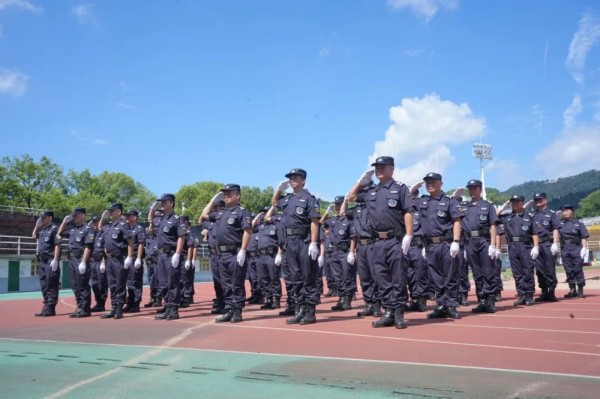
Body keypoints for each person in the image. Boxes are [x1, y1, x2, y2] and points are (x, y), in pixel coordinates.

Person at [346, 156, 413, 329]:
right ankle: (388, 311)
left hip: (395, 240)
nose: (379, 170)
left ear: (392, 169)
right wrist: (360, 182)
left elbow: (407, 211)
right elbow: (351, 197)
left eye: (383, 167)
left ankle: (398, 313)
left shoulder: (400, 188)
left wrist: (409, 235)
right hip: (376, 242)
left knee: (397, 277)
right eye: (377, 168)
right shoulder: (371, 191)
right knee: (382, 278)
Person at [266, 168, 321, 325]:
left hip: (304, 240)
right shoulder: (288, 199)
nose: (292, 180)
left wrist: (313, 243)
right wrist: (279, 190)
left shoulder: (309, 198)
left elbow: (314, 222)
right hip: (290, 242)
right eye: (291, 178)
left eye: (296, 177)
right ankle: (299, 309)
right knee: (295, 277)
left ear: (303, 180)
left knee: (307, 276)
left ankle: (310, 312)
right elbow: (274, 203)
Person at [201, 184, 252, 323]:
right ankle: (229, 309)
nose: (226, 196)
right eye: (225, 194)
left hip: (235, 253)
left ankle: (237, 311)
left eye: (229, 193)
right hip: (221, 254)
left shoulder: (242, 212)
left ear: (238, 195)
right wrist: (213, 200)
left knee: (236, 283)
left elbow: (247, 231)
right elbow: (203, 216)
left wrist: (243, 250)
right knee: (226, 284)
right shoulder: (221, 213)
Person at [417, 172, 463, 320]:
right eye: (427, 182)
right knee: (435, 277)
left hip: (445, 244)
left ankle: (451, 305)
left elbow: (457, 221)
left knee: (450, 275)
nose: (430, 184)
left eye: (433, 181)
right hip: (430, 245)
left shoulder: (449, 201)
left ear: (441, 183)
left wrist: (456, 242)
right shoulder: (423, 202)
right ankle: (442, 304)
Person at [461, 179, 499, 313]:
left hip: (483, 241)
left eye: (475, 188)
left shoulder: (488, 206)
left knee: (488, 271)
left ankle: (490, 300)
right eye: (470, 188)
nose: (472, 190)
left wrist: (493, 245)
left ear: (480, 189)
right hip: (469, 241)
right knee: (477, 273)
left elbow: (493, 225)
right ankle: (481, 299)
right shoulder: (464, 207)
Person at [498, 195, 539, 306]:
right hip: (512, 246)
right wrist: (502, 207)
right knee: (517, 272)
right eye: (512, 202)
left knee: (528, 271)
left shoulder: (529, 216)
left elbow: (535, 233)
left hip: (526, 246)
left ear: (522, 203)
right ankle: (521, 295)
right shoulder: (507, 217)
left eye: (517, 202)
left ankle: (529, 295)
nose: (514, 204)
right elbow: (494, 216)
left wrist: (536, 246)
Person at [154, 193, 188, 320]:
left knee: (172, 282)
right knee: (163, 283)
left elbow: (181, 237)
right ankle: (167, 307)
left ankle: (173, 309)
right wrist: (153, 207)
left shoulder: (177, 219)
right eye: (161, 202)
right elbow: (151, 217)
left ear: (171, 203)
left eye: (164, 202)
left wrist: (178, 254)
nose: (161, 204)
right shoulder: (161, 219)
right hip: (161, 255)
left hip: (170, 254)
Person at [57, 207, 95, 318]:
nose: (73, 217)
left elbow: (88, 246)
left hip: (80, 258)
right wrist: (64, 222)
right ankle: (80, 307)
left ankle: (85, 309)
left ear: (82, 216)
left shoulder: (88, 229)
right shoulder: (73, 229)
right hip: (71, 259)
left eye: (75, 215)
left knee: (82, 284)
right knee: (75, 285)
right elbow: (59, 234)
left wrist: (83, 261)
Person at [100, 203, 134, 320]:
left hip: (119, 259)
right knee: (112, 285)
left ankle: (119, 307)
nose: (109, 212)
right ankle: (114, 306)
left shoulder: (123, 225)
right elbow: (100, 229)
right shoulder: (109, 226)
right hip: (109, 259)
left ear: (118, 212)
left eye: (111, 211)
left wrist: (129, 257)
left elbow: (130, 242)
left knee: (119, 284)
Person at [321, 196, 355, 312]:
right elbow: (321, 222)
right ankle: (341, 298)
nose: (337, 207)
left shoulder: (349, 219)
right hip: (335, 252)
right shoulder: (333, 220)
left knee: (347, 277)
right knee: (338, 278)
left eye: (339, 204)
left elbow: (353, 237)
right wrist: (327, 212)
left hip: (345, 251)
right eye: (336, 204)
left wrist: (351, 252)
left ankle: (347, 300)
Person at [531, 193, 560, 302]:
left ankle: (551, 291)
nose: (538, 201)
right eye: (536, 200)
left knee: (549, 268)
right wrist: (535, 246)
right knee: (539, 269)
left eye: (540, 199)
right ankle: (544, 291)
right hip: (537, 245)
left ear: (545, 200)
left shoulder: (551, 214)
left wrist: (555, 243)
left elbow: (555, 228)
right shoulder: (532, 215)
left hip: (548, 243)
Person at [32, 210, 61, 317]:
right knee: (43, 284)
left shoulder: (55, 229)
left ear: (50, 218)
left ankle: (51, 308)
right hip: (42, 260)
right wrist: (37, 226)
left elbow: (58, 245)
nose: (42, 219)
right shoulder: (43, 230)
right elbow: (34, 235)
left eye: (44, 218)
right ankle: (46, 305)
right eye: (41, 218)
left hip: (50, 260)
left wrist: (55, 259)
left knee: (51, 284)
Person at [557, 205, 590, 298]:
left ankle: (580, 289)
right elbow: (554, 229)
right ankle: (572, 289)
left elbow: (583, 236)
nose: (565, 213)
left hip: (576, 248)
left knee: (577, 269)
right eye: (564, 211)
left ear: (572, 212)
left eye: (567, 211)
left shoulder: (579, 223)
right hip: (564, 248)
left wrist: (584, 248)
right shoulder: (560, 224)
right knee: (568, 269)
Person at [255, 208, 283, 309]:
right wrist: (257, 217)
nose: (264, 214)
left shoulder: (276, 225)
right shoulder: (261, 226)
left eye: (266, 212)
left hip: (272, 255)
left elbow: (281, 241)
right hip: (261, 256)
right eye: (263, 213)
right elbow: (250, 226)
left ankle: (277, 300)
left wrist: (279, 254)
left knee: (274, 278)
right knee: (264, 279)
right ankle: (269, 299)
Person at [124, 210, 145, 313]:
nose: (127, 217)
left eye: (129, 215)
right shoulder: (125, 227)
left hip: (135, 256)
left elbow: (141, 243)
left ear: (135, 217)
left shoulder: (139, 229)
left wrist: (138, 258)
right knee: (129, 282)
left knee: (136, 281)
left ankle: (136, 304)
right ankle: (130, 302)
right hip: (127, 258)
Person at [90, 217, 108, 312]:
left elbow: (106, 248)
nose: (94, 224)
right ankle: (98, 302)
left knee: (102, 283)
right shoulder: (95, 234)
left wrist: (103, 262)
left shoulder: (105, 234)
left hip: (101, 261)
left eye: (95, 222)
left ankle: (101, 304)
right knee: (94, 284)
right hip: (94, 262)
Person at [180, 215, 198, 308]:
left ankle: (187, 297)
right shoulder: (179, 232)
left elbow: (193, 247)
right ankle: (182, 297)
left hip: (186, 257)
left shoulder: (190, 233)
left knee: (187, 279)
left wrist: (191, 260)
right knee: (180, 279)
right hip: (180, 257)